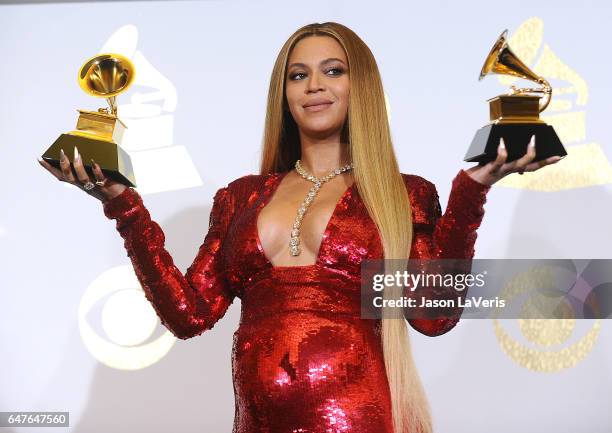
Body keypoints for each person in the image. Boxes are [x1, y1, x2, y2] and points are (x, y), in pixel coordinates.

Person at [39, 22, 562, 433]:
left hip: (363, 421)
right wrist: (122, 205)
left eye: (333, 71)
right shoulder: (242, 196)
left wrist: (472, 190)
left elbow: (432, 316)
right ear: (283, 93)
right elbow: (188, 315)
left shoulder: (403, 193)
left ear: (361, 86)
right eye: (298, 74)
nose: (314, 85)